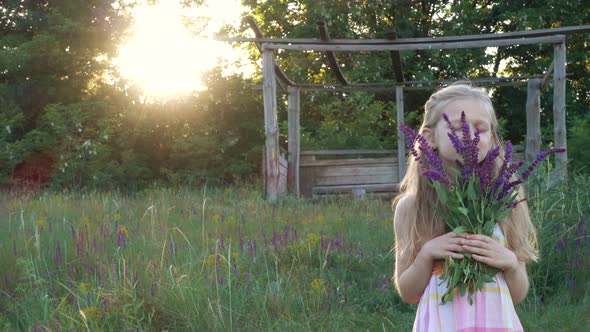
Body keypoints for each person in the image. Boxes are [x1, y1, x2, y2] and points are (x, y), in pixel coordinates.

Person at [392, 82, 537, 331]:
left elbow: (518, 294)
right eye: (460, 127)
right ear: (429, 138)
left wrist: (510, 262)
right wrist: (427, 254)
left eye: (482, 128)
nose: (472, 135)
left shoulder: (506, 201)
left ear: (492, 137)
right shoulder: (412, 207)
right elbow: (408, 292)